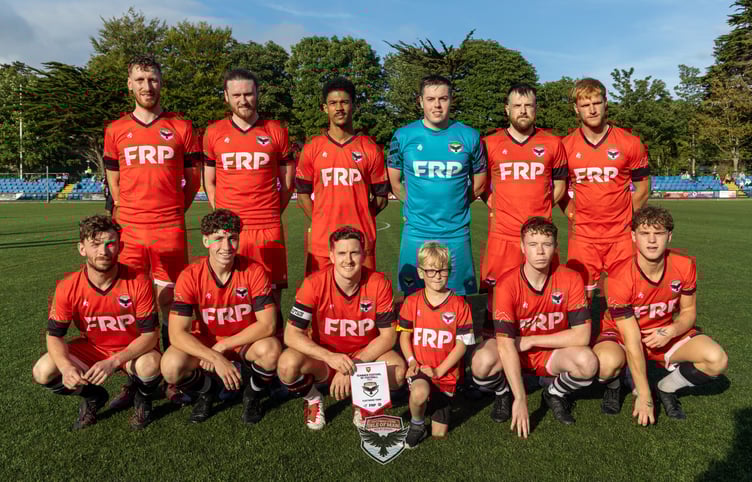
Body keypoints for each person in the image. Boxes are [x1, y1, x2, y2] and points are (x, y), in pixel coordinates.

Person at [104, 54, 201, 406]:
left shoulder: (182, 127)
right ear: (129, 84)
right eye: (140, 80)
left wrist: (173, 209)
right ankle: (136, 377)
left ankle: (172, 376)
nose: (147, 86)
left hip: (169, 228)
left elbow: (192, 181)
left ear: (161, 83)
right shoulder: (115, 130)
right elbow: (114, 183)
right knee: (131, 303)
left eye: (153, 79)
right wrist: (131, 212)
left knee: (169, 303)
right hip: (129, 229)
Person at [594, 205, 728, 423]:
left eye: (659, 233)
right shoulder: (618, 277)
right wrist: (644, 394)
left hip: (662, 331)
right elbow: (632, 339)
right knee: (604, 363)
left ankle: (666, 387)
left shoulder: (684, 266)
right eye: (645, 233)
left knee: (716, 359)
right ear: (633, 237)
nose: (652, 240)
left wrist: (672, 330)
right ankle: (615, 384)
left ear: (670, 236)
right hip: (623, 335)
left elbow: (688, 311)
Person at [31, 215, 161, 430]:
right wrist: (65, 367)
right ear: (82, 248)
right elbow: (55, 335)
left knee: (151, 365)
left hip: (133, 350)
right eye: (95, 244)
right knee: (43, 371)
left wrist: (113, 362)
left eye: (110, 243)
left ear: (121, 246)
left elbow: (150, 335)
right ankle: (93, 396)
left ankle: (142, 397)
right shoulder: (67, 287)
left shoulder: (139, 281)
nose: (103, 251)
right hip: (94, 349)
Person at [472, 217, 597, 438]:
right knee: (481, 363)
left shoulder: (571, 278)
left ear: (556, 247)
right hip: (515, 351)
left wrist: (532, 340)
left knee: (588, 363)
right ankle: (503, 393)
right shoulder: (507, 284)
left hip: (549, 352)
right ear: (522, 247)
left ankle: (554, 392)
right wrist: (520, 398)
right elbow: (505, 344)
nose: (540, 251)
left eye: (546, 244)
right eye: (533, 244)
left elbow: (582, 335)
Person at [277, 226, 406, 430]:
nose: (348, 260)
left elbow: (388, 337)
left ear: (364, 254)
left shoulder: (378, 283)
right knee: (286, 365)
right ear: (332, 256)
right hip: (325, 357)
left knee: (398, 372)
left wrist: (352, 366)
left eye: (354, 252)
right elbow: (291, 335)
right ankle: (313, 398)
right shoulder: (314, 283)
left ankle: (363, 401)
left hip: (363, 356)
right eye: (342, 253)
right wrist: (330, 357)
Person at [160, 209, 280, 424]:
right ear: (206, 241)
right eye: (218, 239)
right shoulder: (190, 275)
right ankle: (207, 392)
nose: (226, 247)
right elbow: (176, 333)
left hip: (243, 340)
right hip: (207, 342)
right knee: (170, 367)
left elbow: (268, 325)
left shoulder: (254, 271)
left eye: (232, 238)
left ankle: (251, 395)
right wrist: (213, 357)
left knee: (270, 350)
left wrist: (222, 348)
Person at [203, 68, 294, 333]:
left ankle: (273, 354)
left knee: (272, 293)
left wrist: (272, 211)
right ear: (226, 97)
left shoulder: (276, 131)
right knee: (232, 291)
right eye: (237, 95)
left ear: (257, 94)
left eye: (248, 94)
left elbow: (287, 182)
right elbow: (209, 181)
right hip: (231, 231)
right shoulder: (213, 133)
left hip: (268, 227)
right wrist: (222, 218)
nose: (243, 100)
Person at [478, 83, 568, 338]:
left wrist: (541, 208)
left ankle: (540, 341)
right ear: (507, 109)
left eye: (528, 105)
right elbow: (482, 185)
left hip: (539, 234)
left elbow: (560, 185)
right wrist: (493, 202)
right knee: (497, 291)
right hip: (503, 233)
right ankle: (492, 342)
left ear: (536, 109)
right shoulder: (489, 143)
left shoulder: (553, 142)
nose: (523, 110)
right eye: (517, 105)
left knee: (543, 286)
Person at [387, 74, 487, 296]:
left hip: (456, 234)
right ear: (420, 101)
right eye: (430, 99)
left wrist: (456, 204)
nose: (437, 105)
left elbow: (479, 185)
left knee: (461, 302)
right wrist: (416, 206)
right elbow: (395, 184)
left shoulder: (470, 136)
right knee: (412, 303)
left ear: (451, 100)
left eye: (443, 98)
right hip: (416, 232)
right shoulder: (403, 136)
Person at [560, 78, 650, 299]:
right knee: (580, 299)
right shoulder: (564, 146)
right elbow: (559, 190)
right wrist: (572, 214)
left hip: (620, 236)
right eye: (585, 105)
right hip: (583, 237)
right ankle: (584, 335)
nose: (592, 110)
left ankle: (622, 335)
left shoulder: (630, 142)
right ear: (576, 109)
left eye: (596, 103)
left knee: (626, 297)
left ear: (605, 103)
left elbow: (643, 188)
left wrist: (627, 219)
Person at [295, 77, 390, 276]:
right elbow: (303, 195)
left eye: (344, 102)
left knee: (363, 301)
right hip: (322, 242)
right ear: (324, 108)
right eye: (333, 103)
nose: (339, 108)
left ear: (353, 106)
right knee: (320, 301)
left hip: (361, 241)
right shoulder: (313, 148)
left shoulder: (370, 149)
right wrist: (321, 220)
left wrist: (362, 216)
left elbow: (381, 199)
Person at [398, 242, 475, 448]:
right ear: (421, 273)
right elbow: (404, 337)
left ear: (449, 271)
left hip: (445, 373)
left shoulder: (459, 304)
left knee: (439, 434)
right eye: (431, 270)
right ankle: (417, 424)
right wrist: (412, 361)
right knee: (420, 392)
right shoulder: (412, 302)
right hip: (421, 369)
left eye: (442, 270)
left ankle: (433, 403)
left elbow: (462, 345)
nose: (437, 275)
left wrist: (439, 370)